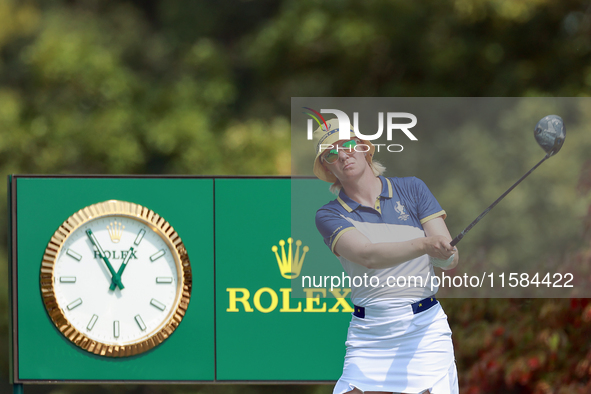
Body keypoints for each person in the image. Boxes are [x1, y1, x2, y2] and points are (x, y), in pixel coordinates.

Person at [313, 119, 459, 394]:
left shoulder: (413, 188)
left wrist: (445, 254)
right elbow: (367, 256)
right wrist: (425, 245)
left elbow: (448, 260)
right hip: (370, 334)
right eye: (331, 154)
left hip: (423, 328)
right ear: (327, 168)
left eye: (347, 145)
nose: (343, 154)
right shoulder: (329, 215)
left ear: (364, 148)